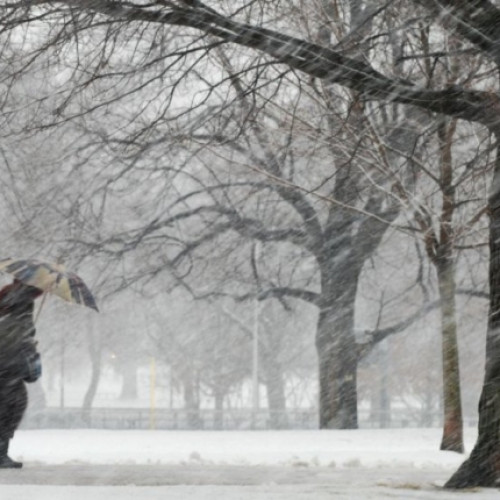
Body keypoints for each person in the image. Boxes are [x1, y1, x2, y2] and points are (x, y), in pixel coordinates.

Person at [0, 279, 43, 468]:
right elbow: (30, 372)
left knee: (8, 411)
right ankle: (1, 454)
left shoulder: (8, 318)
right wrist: (31, 351)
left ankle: (2, 453)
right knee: (10, 411)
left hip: (6, 375)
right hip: (9, 376)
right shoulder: (21, 322)